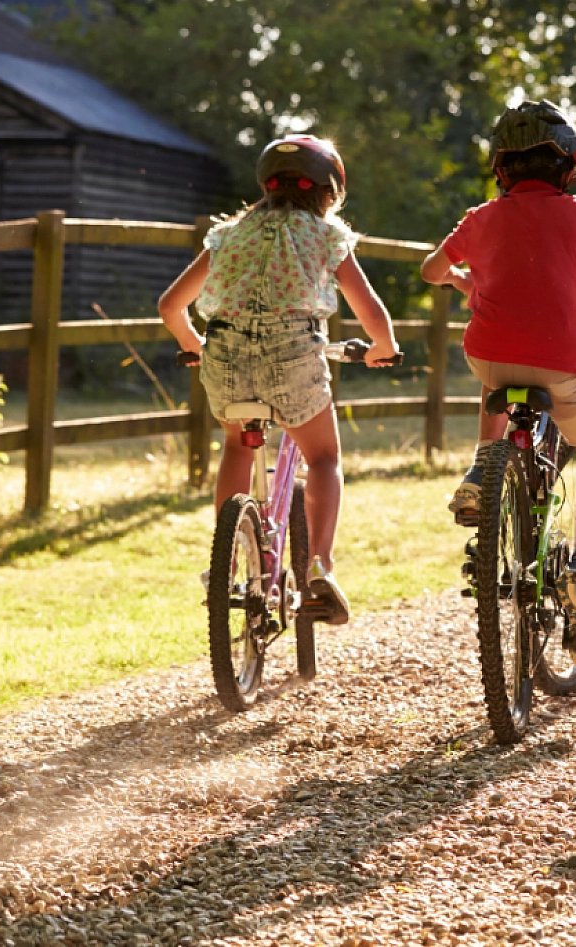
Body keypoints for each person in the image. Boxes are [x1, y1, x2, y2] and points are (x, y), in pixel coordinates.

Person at [420, 100, 576, 666]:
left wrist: (464, 278)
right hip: (560, 366)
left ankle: (483, 467)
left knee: (496, 379)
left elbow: (430, 270)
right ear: (570, 165)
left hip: (490, 361)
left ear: (501, 168)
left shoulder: (480, 218)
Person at [159, 135, 399, 626]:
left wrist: (192, 344)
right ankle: (319, 568)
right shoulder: (327, 237)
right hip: (294, 355)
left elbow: (170, 305)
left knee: (236, 447)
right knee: (325, 457)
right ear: (329, 192)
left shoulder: (228, 236)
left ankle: (224, 564)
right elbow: (369, 310)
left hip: (225, 355)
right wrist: (385, 347)